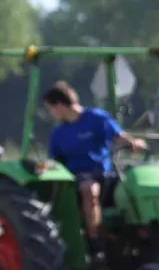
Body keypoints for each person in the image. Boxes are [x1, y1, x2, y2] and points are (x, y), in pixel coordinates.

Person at [42, 81, 147, 258]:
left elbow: (119, 136)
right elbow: (55, 161)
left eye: (50, 109)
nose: (50, 114)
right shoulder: (58, 133)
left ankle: (140, 236)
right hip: (75, 178)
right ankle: (95, 243)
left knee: (135, 185)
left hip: (104, 174)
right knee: (89, 189)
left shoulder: (96, 118)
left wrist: (134, 143)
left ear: (59, 105)